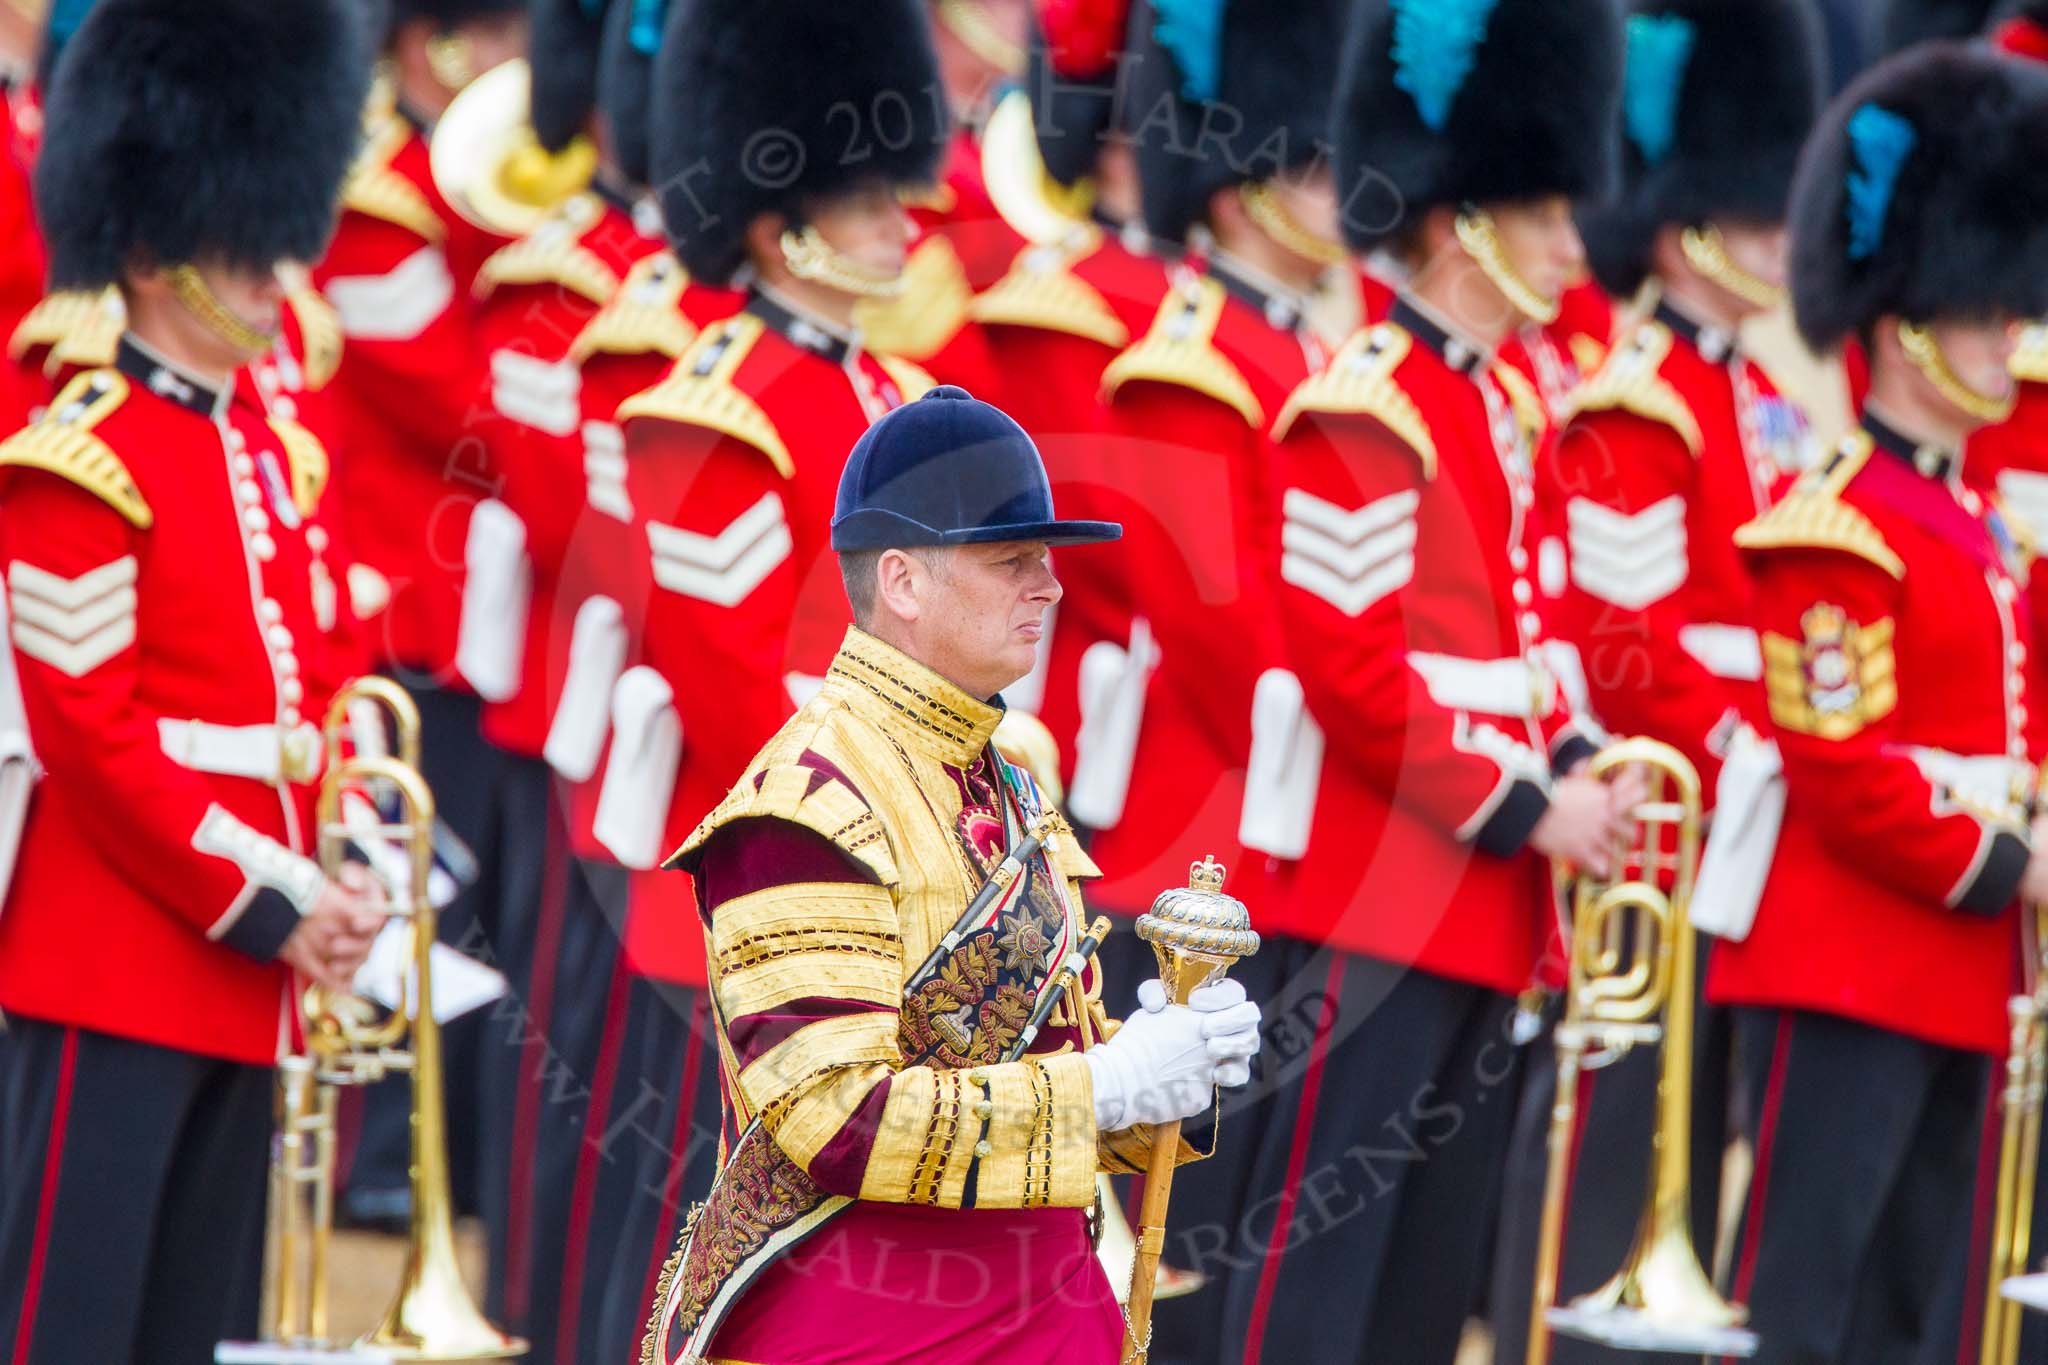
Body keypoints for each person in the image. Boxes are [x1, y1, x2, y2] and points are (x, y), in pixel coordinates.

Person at [641, 384, 1264, 1365]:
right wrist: (1104, 1086)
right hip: (873, 1316)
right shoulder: (802, 802)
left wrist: (1164, 1061)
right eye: (1011, 559)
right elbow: (834, 1120)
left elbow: (1042, 1063)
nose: (1050, 587)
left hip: (1035, 1304)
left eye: (1046, 560)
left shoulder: (1006, 772)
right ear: (902, 581)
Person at [1243, 1, 1630, 1360]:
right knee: (1319, 1285)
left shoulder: (1501, 398)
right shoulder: (1365, 402)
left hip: (1482, 904)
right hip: (1381, 896)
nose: (1576, 249)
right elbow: (1354, 676)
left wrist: (1582, 763)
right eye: (1547, 218)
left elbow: (1535, 637)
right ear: (1465, 219)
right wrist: (1532, 810)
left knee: (1420, 1289)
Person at [0, 2, 385, 1361]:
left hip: (251, 961)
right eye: (244, 247)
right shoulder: (75, 455)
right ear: (155, 248)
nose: (277, 277)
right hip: (117, 953)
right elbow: (93, 743)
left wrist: (350, 869)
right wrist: (280, 899)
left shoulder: (275, 454)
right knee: (73, 1320)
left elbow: (324, 690)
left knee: (189, 1326)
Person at [1488, 4, 1826, 1359]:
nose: (1786, 244)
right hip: (1678, 819)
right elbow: (1625, 643)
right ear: (1693, 230)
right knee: (1610, 1145)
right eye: (1761, 216)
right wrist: (1761, 760)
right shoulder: (1641, 400)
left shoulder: (1758, 395)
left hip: (1745, 821)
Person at [1707, 41, 2048, 1364]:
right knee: (1809, 1312)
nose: (2011, 336)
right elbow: (1847, 773)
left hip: (1959, 975)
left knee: (1911, 1321)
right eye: (1988, 311)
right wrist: (2016, 865)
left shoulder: (1970, 526)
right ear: (1908, 320)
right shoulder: (1836, 527)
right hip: (1849, 969)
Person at [594, 0, 947, 1100]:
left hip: (897, 889)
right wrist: (892, 839)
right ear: (774, 221)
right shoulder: (714, 409)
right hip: (757, 898)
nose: (898, 221)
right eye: (862, 195)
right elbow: (733, 686)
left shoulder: (891, 393)